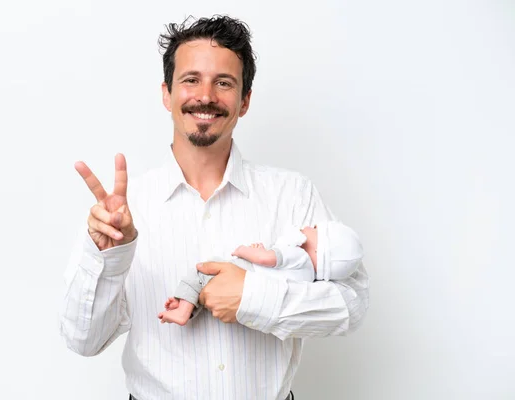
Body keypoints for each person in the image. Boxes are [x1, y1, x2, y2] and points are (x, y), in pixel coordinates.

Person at [60, 15, 369, 400]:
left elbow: (351, 305)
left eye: (223, 83)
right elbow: (82, 340)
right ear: (166, 93)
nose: (205, 96)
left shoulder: (293, 194)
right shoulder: (122, 211)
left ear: (245, 101)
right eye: (191, 80)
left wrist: (254, 298)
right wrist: (108, 257)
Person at [158, 221, 364, 325]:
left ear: (320, 250)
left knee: (200, 273)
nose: (308, 226)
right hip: (252, 279)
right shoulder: (308, 277)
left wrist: (245, 251)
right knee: (205, 287)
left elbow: (267, 259)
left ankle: (184, 310)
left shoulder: (298, 254)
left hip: (244, 271)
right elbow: (276, 270)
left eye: (315, 229)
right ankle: (185, 304)